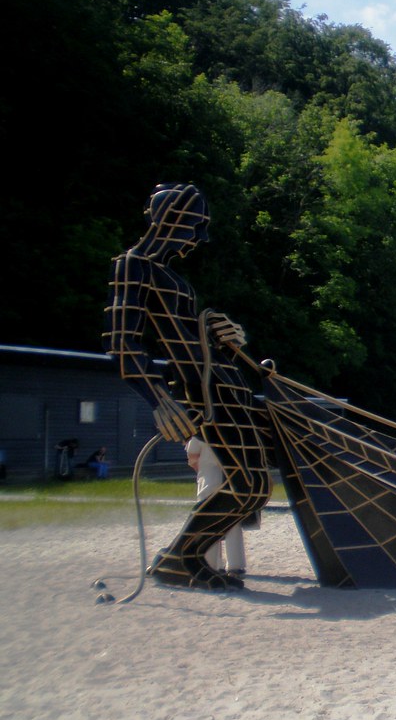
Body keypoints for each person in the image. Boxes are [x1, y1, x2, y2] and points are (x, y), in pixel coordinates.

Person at [104, 183, 272, 590]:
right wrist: (160, 399)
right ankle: (182, 558)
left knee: (256, 486)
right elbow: (122, 341)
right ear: (170, 220)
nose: (198, 239)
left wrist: (221, 336)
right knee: (249, 484)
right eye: (194, 227)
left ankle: (186, 558)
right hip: (202, 392)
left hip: (222, 383)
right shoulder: (134, 264)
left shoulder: (170, 276)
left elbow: (188, 341)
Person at [187, 437, 246, 576]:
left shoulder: (201, 429)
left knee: (209, 522)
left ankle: (212, 562)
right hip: (232, 478)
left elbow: (192, 454)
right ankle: (235, 565)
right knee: (232, 521)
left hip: (209, 479)